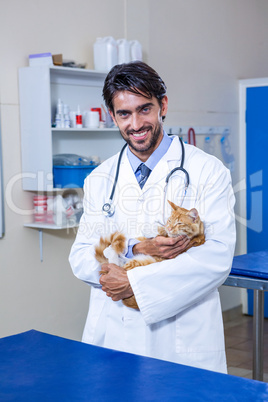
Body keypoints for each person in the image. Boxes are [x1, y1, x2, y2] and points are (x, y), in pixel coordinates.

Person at [69, 61, 236, 373]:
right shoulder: (100, 178)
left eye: (144, 109)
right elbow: (80, 257)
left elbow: (216, 258)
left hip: (180, 338)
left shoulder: (208, 171)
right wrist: (135, 248)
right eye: (124, 113)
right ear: (112, 116)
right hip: (114, 332)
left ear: (163, 106)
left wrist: (133, 280)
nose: (135, 123)